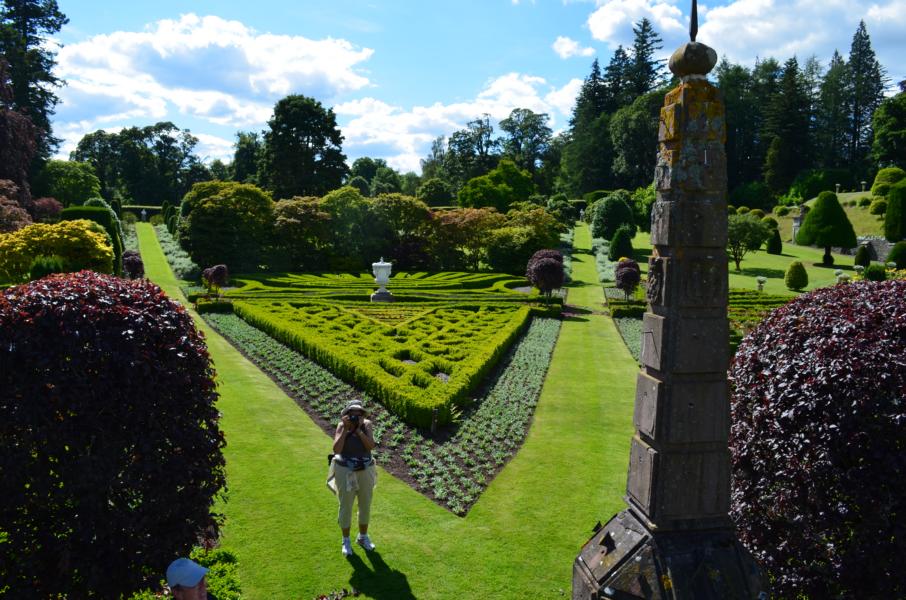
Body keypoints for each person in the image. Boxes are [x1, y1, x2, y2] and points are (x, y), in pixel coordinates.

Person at [329, 400, 377, 557]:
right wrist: (346, 430)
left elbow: (370, 446)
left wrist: (359, 431)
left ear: (363, 415)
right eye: (352, 414)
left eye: (359, 413)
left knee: (365, 504)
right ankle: (346, 540)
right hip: (345, 470)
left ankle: (363, 537)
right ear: (347, 414)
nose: (355, 416)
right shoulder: (341, 426)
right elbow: (336, 449)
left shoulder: (367, 425)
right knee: (346, 505)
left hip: (365, 469)